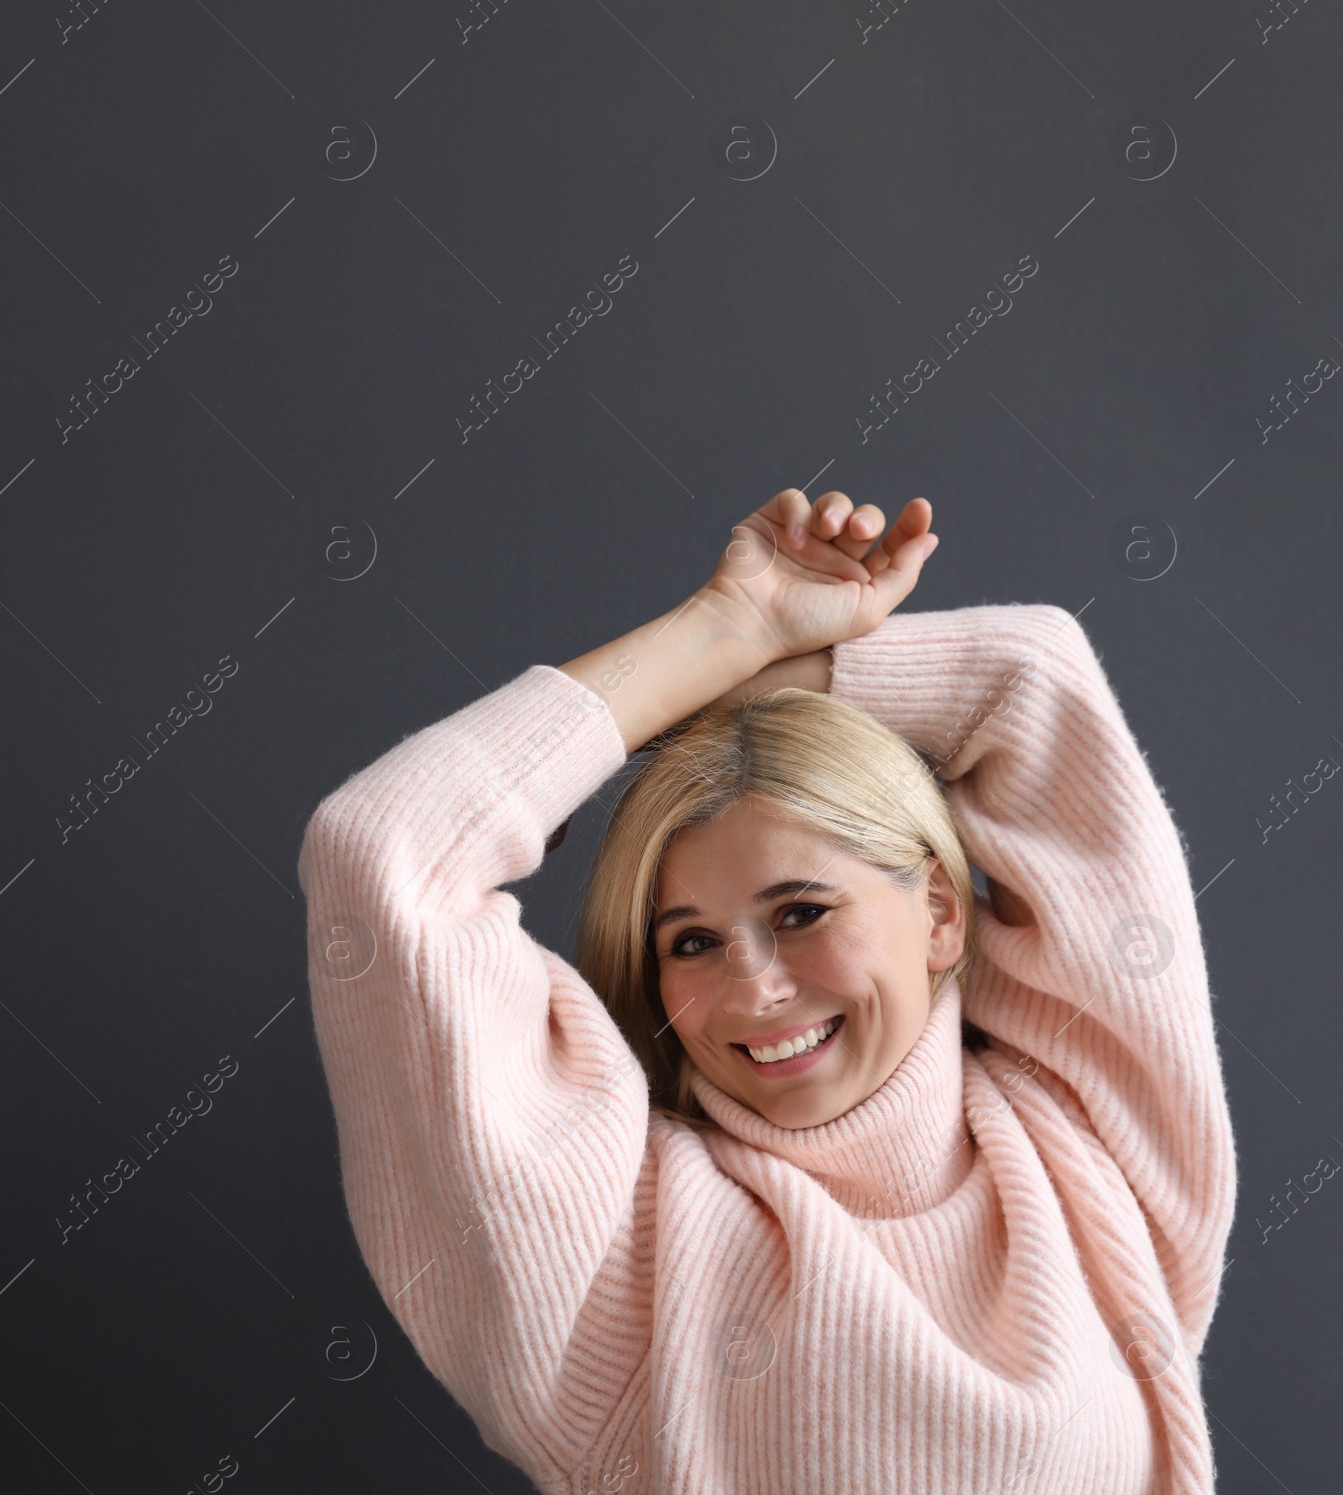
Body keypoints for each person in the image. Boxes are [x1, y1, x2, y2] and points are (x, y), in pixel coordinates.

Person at [298, 489, 1238, 1495]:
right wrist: (722, 629)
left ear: (937, 911)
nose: (752, 987)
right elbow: (381, 852)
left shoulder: (1088, 1152)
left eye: (799, 913)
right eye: (691, 940)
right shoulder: (621, 1244)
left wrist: (742, 690)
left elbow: (1033, 677)